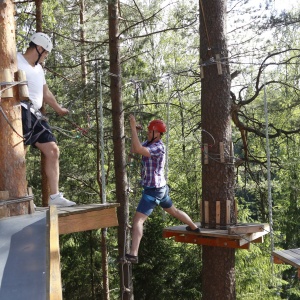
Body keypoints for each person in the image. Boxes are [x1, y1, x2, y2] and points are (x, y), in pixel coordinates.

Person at [125, 115, 200, 264]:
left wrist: (133, 127)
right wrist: (135, 132)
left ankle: (133, 254)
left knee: (138, 221)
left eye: (150, 131)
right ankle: (194, 227)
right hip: (160, 189)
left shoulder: (159, 147)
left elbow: (139, 149)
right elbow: (135, 148)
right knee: (174, 211)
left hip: (153, 190)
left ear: (158, 133)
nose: (147, 133)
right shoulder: (150, 143)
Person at [18, 32, 76, 207]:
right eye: (46, 54)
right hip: (18, 109)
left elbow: (45, 92)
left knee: (53, 150)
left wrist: (58, 109)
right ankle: (20, 195)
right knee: (18, 154)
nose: (46, 58)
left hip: (35, 114)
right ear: (39, 48)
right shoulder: (14, 58)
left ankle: (55, 197)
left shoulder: (39, 69)